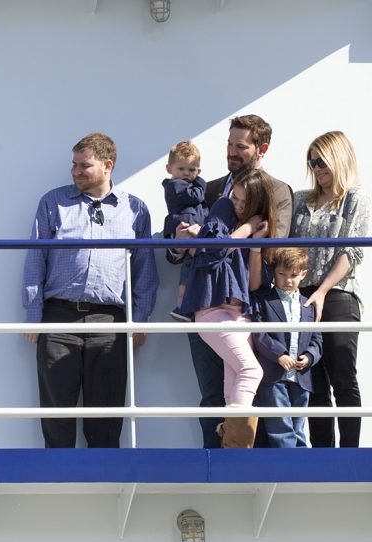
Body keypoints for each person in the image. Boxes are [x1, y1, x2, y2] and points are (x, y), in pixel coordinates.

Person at [22, 132, 158, 448]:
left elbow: (144, 271)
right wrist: (33, 313)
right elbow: (35, 259)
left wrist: (139, 321)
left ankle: (106, 478)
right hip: (58, 318)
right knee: (57, 406)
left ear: (107, 166)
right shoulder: (53, 202)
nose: (76, 171)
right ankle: (58, 475)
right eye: (74, 164)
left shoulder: (135, 210)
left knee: (107, 409)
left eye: (84, 166)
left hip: (110, 321)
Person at [189, 115, 293, 448]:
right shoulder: (212, 190)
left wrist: (249, 238)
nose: (232, 152)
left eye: (241, 146)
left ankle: (245, 458)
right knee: (212, 392)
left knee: (252, 385)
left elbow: (275, 246)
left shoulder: (277, 191)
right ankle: (217, 459)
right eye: (229, 144)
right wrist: (182, 241)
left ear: (261, 148)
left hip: (250, 303)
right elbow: (200, 245)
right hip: (209, 301)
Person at [177, 168, 276, 448]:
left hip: (241, 313)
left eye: (246, 202)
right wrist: (245, 228)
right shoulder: (222, 207)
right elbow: (215, 250)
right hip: (212, 310)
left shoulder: (257, 227)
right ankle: (237, 447)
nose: (239, 205)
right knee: (251, 371)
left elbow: (254, 284)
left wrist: (255, 246)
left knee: (232, 385)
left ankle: (230, 448)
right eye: (237, 198)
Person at [289, 130, 370, 447]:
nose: (317, 169)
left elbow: (353, 251)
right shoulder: (299, 200)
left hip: (339, 294)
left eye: (321, 161)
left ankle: (350, 452)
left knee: (341, 372)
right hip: (303, 295)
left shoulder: (354, 199)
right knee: (314, 379)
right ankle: (322, 452)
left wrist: (322, 291)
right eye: (312, 163)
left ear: (338, 159)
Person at [251, 248, 322, 448]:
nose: (287, 280)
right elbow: (259, 333)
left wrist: (309, 356)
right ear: (274, 272)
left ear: (303, 274)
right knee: (280, 426)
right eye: (282, 274)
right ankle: (288, 467)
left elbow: (317, 339)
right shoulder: (264, 300)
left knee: (298, 426)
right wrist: (279, 355)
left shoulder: (308, 305)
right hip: (274, 374)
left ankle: (299, 466)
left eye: (293, 275)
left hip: (301, 377)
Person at [161, 140, 208, 321]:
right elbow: (197, 196)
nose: (186, 174)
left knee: (190, 269)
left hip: (194, 231)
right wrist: (201, 181)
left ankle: (185, 306)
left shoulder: (187, 184)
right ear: (169, 168)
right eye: (181, 169)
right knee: (189, 268)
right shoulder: (174, 185)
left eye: (192, 170)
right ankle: (182, 306)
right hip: (186, 229)